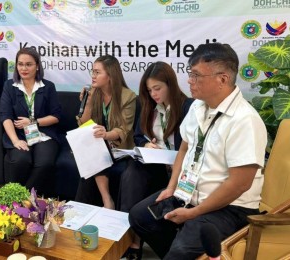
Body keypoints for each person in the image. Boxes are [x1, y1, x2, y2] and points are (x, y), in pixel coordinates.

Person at [129, 43, 267, 259]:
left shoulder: (245, 120)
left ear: (222, 79)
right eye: (190, 73)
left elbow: (240, 184)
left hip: (229, 207)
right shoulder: (197, 106)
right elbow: (185, 146)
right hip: (188, 192)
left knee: (181, 251)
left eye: (196, 75)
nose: (189, 81)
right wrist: (171, 187)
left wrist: (193, 214)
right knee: (140, 216)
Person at [119, 61, 193, 259]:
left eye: (157, 88)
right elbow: (138, 135)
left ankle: (134, 241)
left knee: (133, 175)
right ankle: (131, 239)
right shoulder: (148, 106)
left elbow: (190, 147)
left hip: (177, 169)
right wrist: (146, 145)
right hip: (155, 164)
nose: (153, 94)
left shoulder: (188, 107)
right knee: (133, 171)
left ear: (171, 84)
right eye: (150, 90)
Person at [75, 55, 137, 209]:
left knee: (90, 158)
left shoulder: (127, 97)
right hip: (99, 145)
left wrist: (106, 134)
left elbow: (124, 130)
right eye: (92, 72)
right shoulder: (94, 93)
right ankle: (106, 201)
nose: (93, 76)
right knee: (91, 153)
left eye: (97, 72)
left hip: (119, 147)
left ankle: (91, 206)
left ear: (110, 75)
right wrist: (88, 102)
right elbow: (83, 125)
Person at [0, 47, 61, 196]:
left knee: (45, 163)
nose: (24, 68)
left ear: (37, 66)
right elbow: (5, 115)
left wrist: (33, 122)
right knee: (21, 160)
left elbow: (56, 116)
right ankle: (23, 199)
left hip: (43, 133)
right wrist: (15, 141)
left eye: (29, 64)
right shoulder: (10, 86)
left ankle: (21, 197)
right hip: (19, 134)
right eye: (20, 64)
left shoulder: (48, 87)